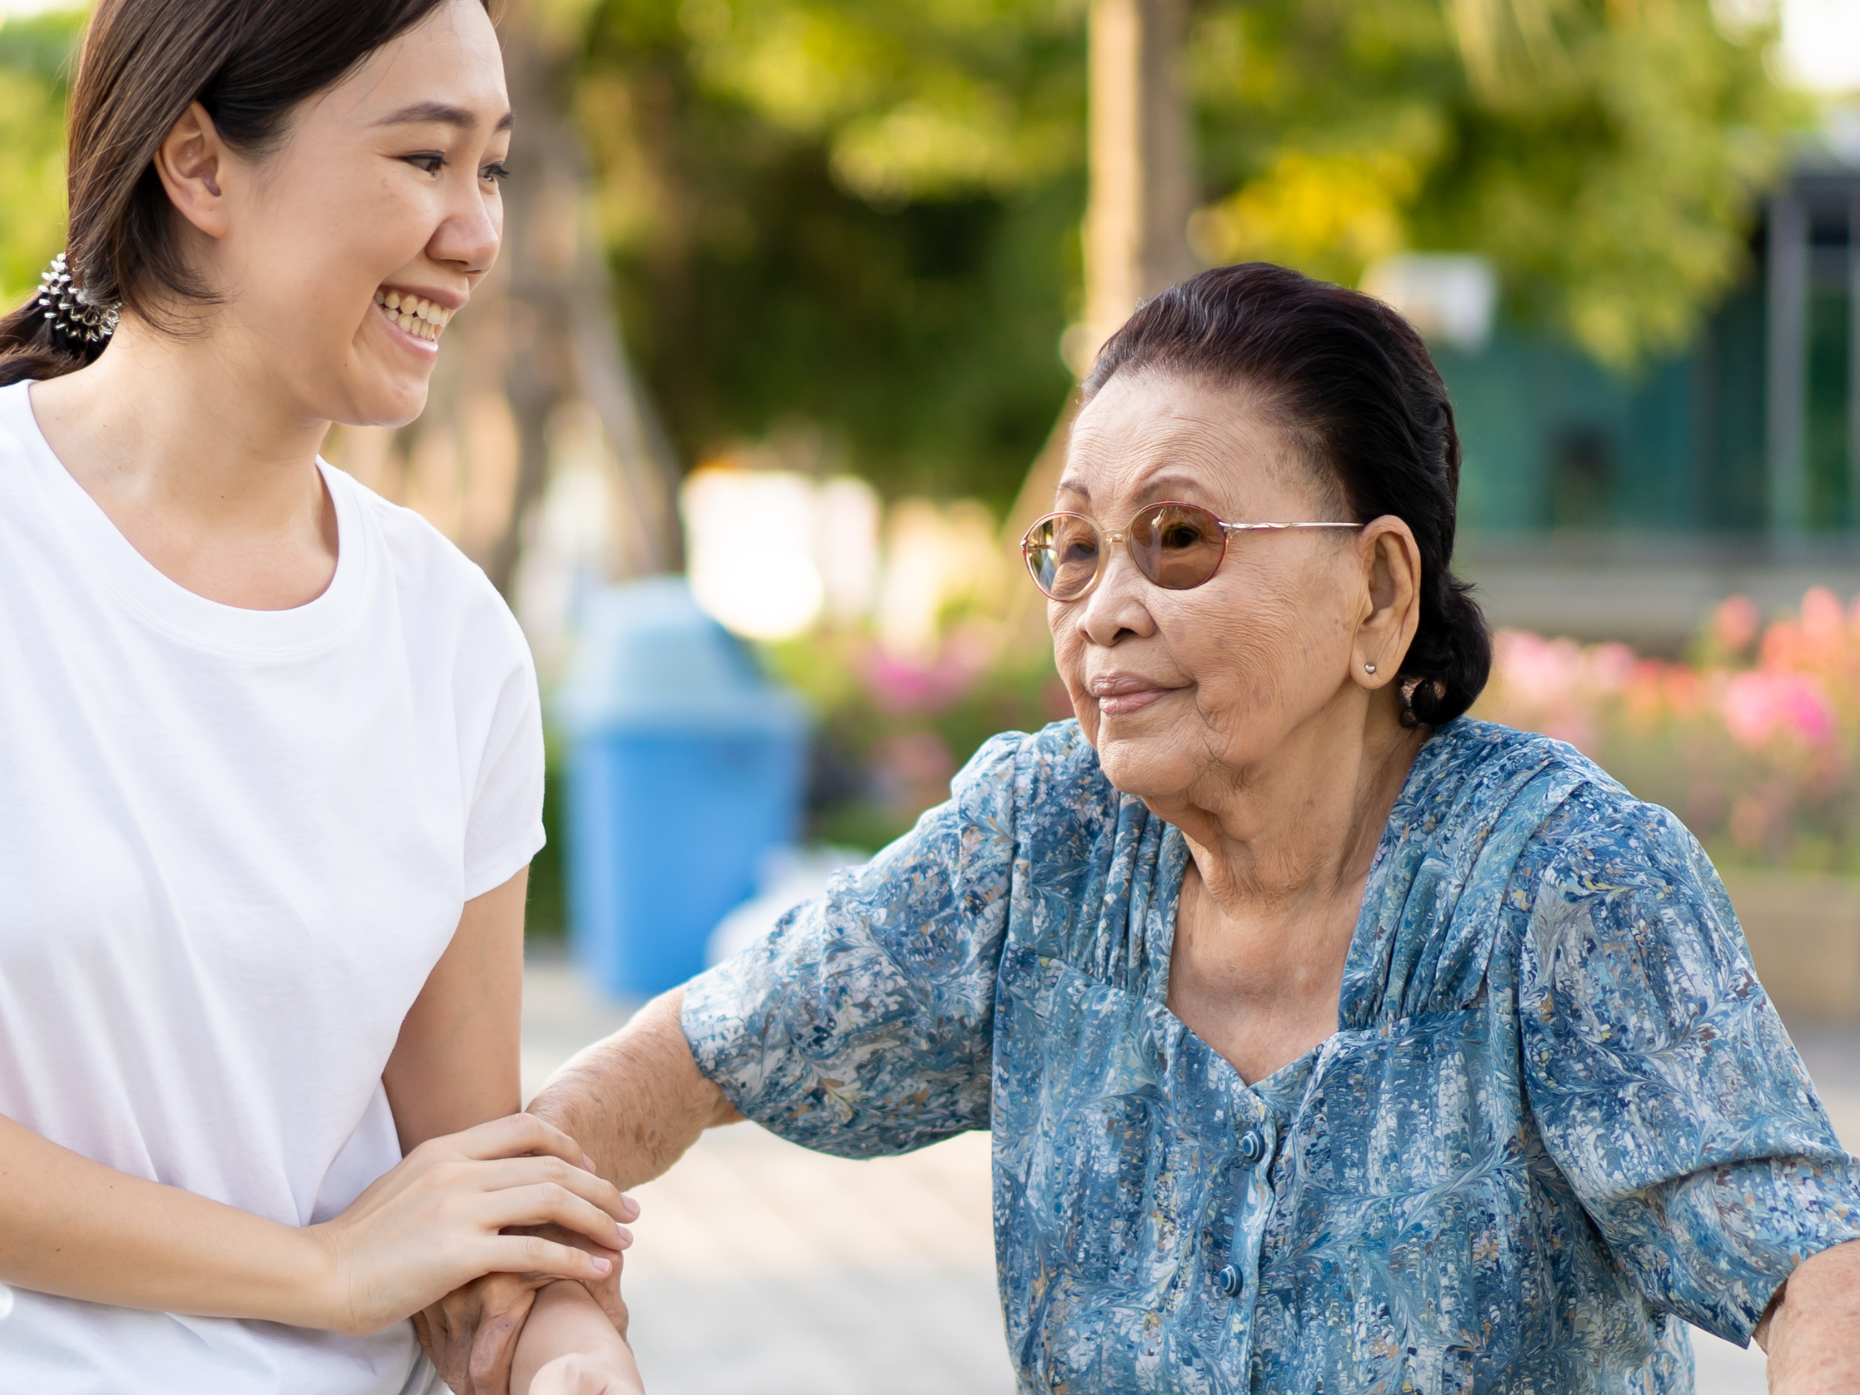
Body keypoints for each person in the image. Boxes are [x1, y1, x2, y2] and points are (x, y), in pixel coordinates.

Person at [432, 263, 1860, 1394]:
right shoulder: (1037, 843)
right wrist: (554, 1305)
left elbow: (1819, 1269)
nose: (1103, 604)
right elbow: (685, 1058)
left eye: (1178, 540)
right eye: (1071, 548)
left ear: (1377, 593)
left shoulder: (1564, 885)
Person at [0, 1, 640, 1391]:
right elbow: (379, 1246)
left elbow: (463, 1191)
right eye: (426, 159)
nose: (475, 235)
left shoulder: (454, 642)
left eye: (495, 170)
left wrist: (566, 1346)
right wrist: (321, 1268)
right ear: (202, 164)